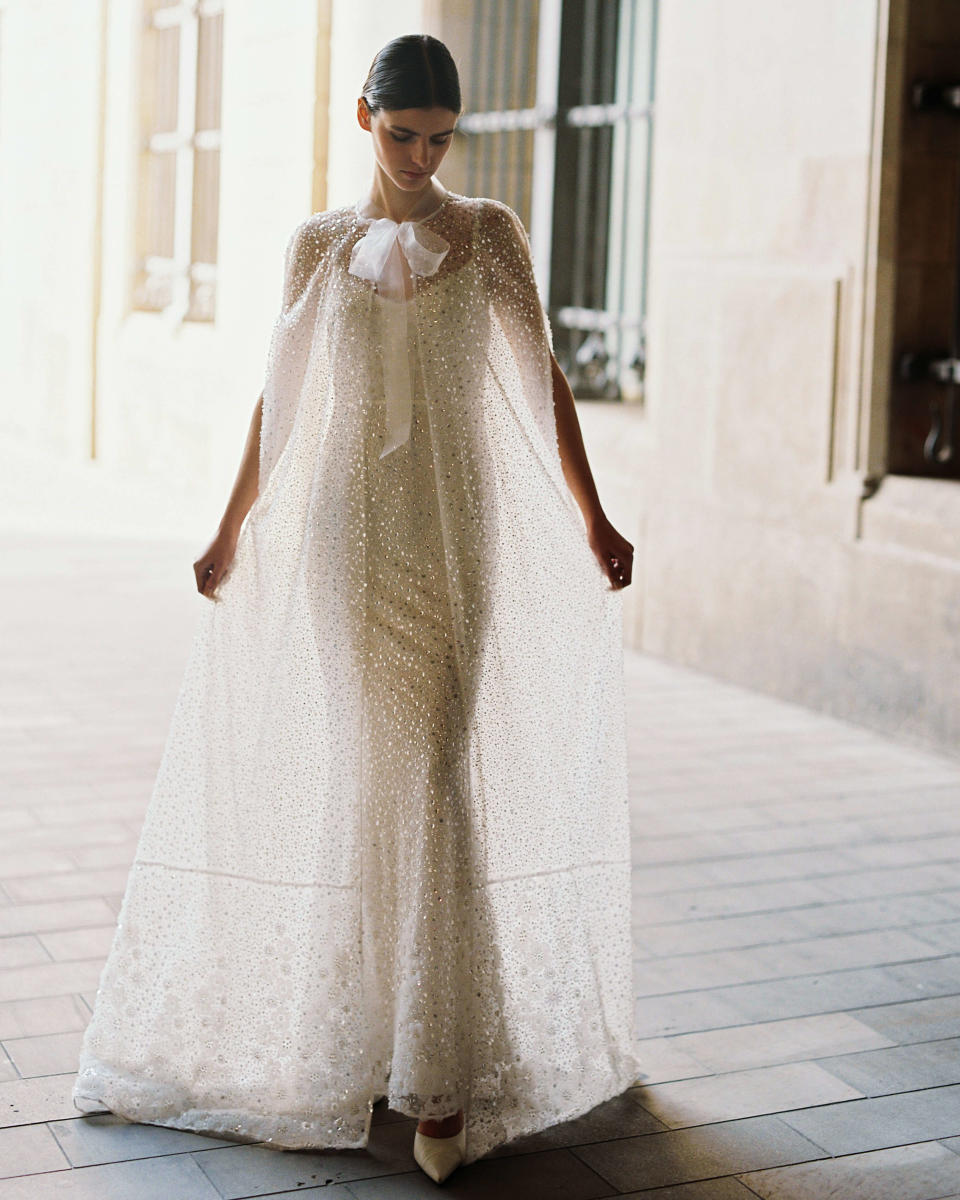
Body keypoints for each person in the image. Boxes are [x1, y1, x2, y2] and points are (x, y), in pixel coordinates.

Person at [72, 33, 641, 1185]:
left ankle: (441, 1074)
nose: (425, 159)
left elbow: (543, 380)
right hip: (348, 540)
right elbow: (277, 406)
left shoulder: (490, 236)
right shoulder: (317, 246)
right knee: (373, 777)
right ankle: (382, 1037)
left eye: (442, 139)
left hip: (453, 541)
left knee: (434, 771)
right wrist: (232, 524)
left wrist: (595, 516)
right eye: (405, 135)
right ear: (366, 120)